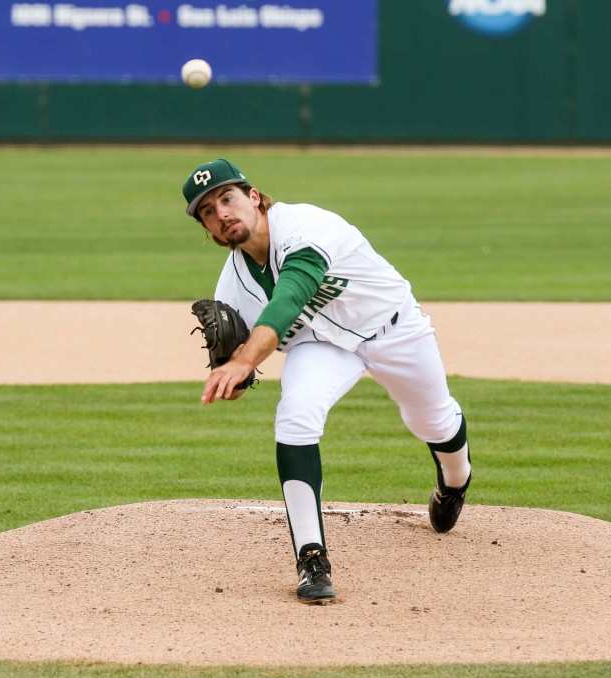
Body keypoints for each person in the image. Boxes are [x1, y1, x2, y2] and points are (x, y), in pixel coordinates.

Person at [182, 159, 471, 605]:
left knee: (433, 420)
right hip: (324, 346)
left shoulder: (305, 226)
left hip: (393, 329)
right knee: (295, 417)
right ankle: (311, 559)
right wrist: (233, 373)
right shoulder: (233, 287)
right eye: (208, 212)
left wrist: (243, 361)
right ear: (209, 231)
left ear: (253, 196)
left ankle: (454, 483)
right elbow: (239, 384)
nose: (221, 213)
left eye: (227, 198)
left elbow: (291, 296)